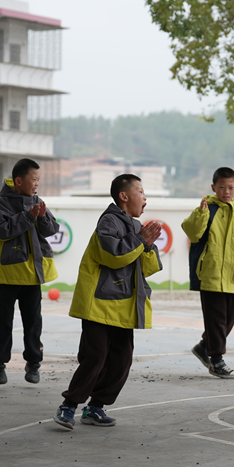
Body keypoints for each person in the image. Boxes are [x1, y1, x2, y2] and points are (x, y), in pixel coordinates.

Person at [53, 174, 162, 430]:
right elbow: (112, 255)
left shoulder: (136, 226)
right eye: (140, 192)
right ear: (124, 196)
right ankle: (68, 406)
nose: (145, 198)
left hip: (123, 306)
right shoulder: (109, 220)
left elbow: (148, 267)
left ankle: (95, 407)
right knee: (95, 357)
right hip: (99, 305)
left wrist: (147, 246)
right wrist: (139, 241)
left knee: (122, 360)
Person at [182, 167, 234, 379]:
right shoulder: (205, 209)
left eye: (230, 187)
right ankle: (217, 361)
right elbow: (192, 232)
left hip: (232, 276)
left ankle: (203, 347)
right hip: (210, 275)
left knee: (230, 318)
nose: (226, 191)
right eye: (221, 187)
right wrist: (200, 213)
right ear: (213, 188)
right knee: (216, 319)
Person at [0, 158, 59, 386]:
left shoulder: (36, 201)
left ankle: (34, 363)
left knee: (33, 322)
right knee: (4, 322)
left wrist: (43, 216)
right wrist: (29, 216)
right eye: (33, 179)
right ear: (19, 181)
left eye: (38, 180)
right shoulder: (3, 203)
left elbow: (51, 230)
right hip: (9, 274)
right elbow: (3, 230)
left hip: (32, 275)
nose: (37, 184)